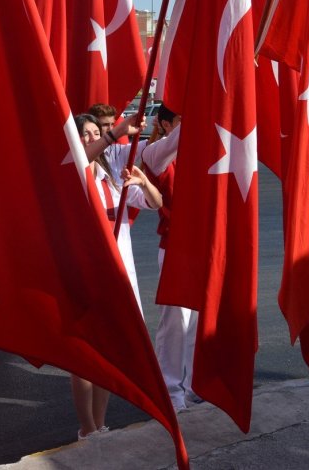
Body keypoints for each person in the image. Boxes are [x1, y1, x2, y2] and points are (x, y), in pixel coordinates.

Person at [70, 113, 163, 441]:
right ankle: (86, 428)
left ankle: (100, 425)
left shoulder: (111, 179)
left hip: (118, 279)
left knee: (109, 356)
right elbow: (81, 158)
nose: (91, 138)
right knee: (85, 358)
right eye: (85, 133)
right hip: (85, 277)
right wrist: (117, 132)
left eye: (96, 132)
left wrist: (143, 182)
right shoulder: (72, 173)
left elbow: (156, 202)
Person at [140, 104, 199, 412]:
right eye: (180, 120)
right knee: (176, 323)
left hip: (202, 248)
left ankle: (194, 388)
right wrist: (204, 105)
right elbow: (178, 140)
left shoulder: (202, 152)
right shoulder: (155, 153)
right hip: (174, 248)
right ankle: (170, 391)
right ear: (164, 125)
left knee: (198, 323)